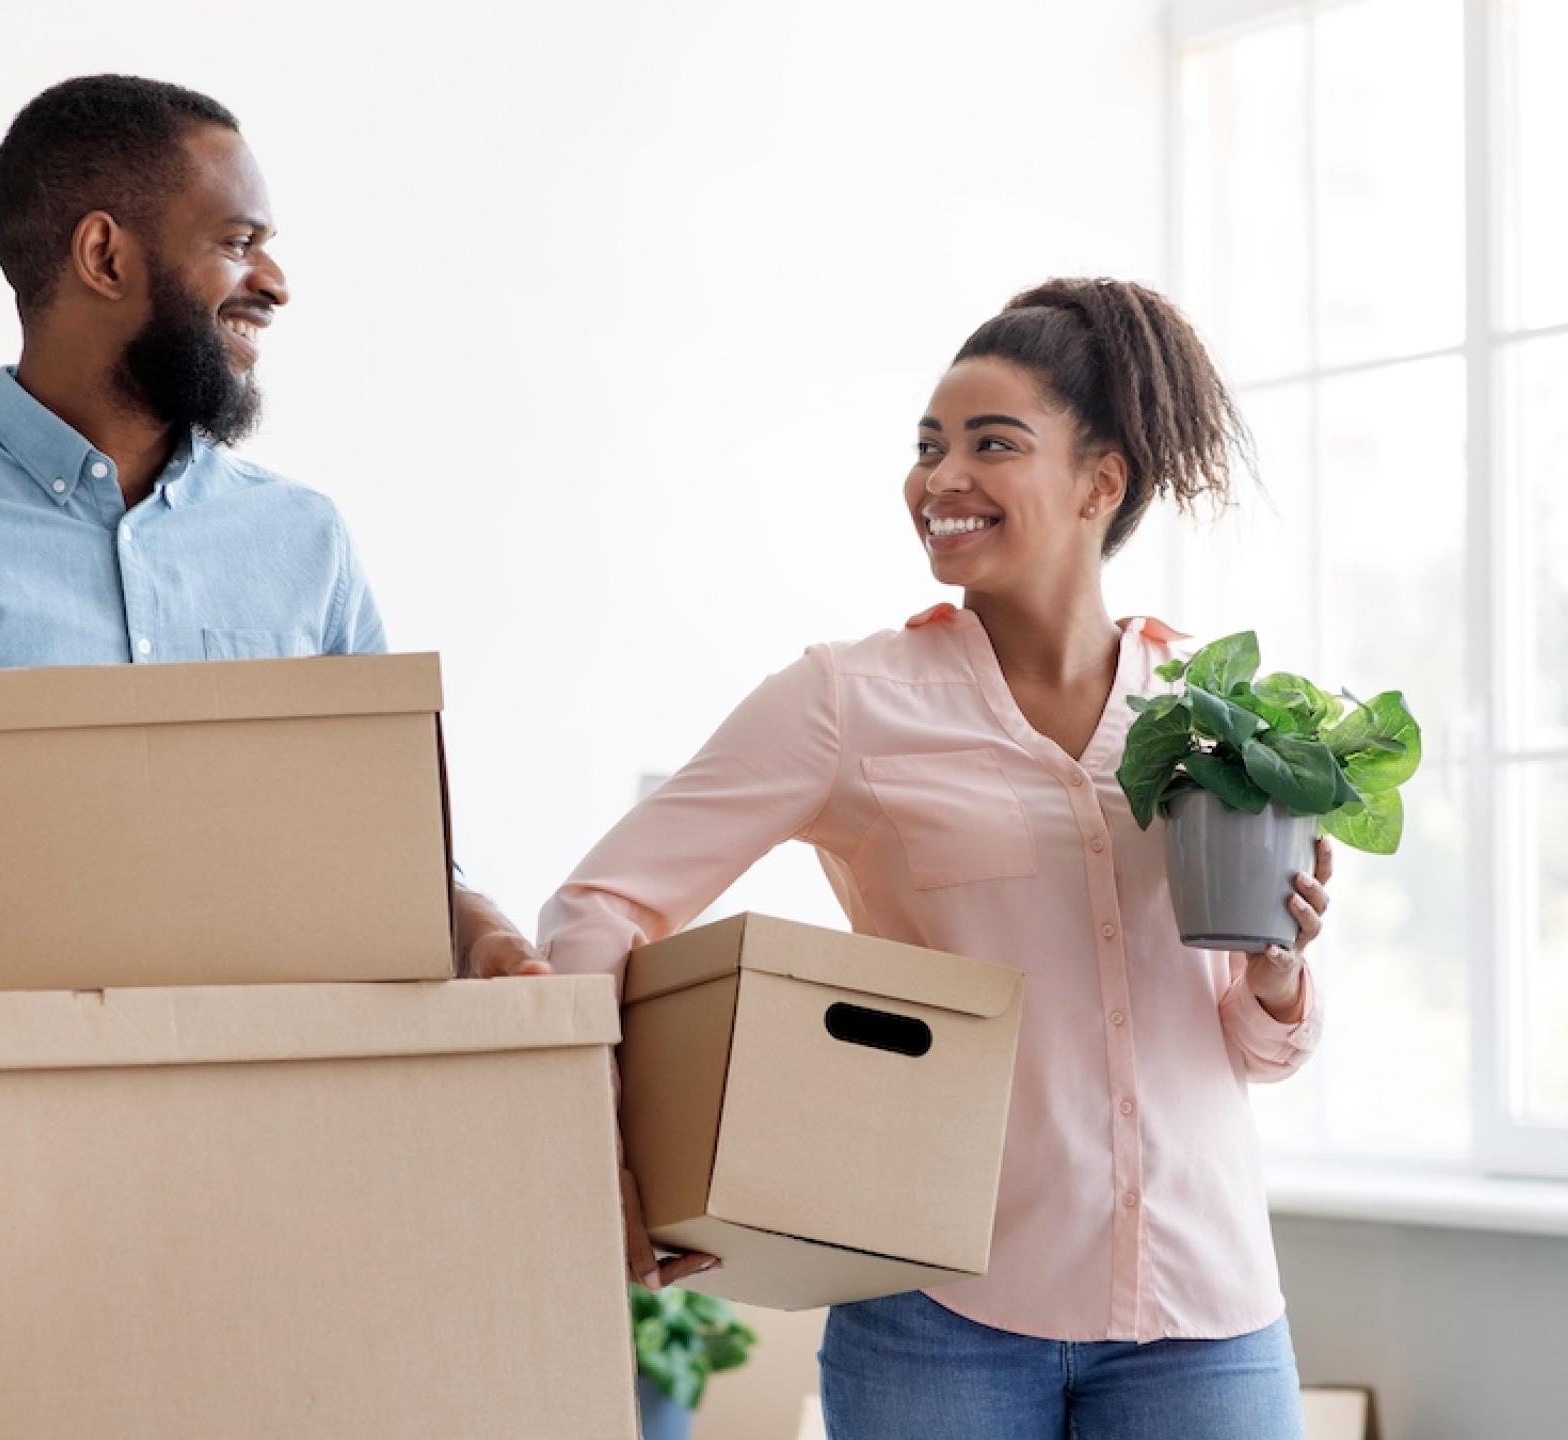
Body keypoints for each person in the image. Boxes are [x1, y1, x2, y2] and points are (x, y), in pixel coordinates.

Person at [0, 75, 546, 1125]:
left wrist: (475, 927)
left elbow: (392, 846)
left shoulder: (304, 543)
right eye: (235, 240)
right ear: (104, 256)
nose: (273, 281)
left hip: (291, 1141)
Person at [539, 278, 1331, 1439]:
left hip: (1203, 1317)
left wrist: (1278, 974)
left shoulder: (1216, 708)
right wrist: (626, 1149)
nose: (938, 479)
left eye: (990, 445)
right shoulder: (846, 702)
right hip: (938, 1317)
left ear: (1099, 483)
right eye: (927, 446)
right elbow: (598, 906)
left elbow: (1259, 1047)